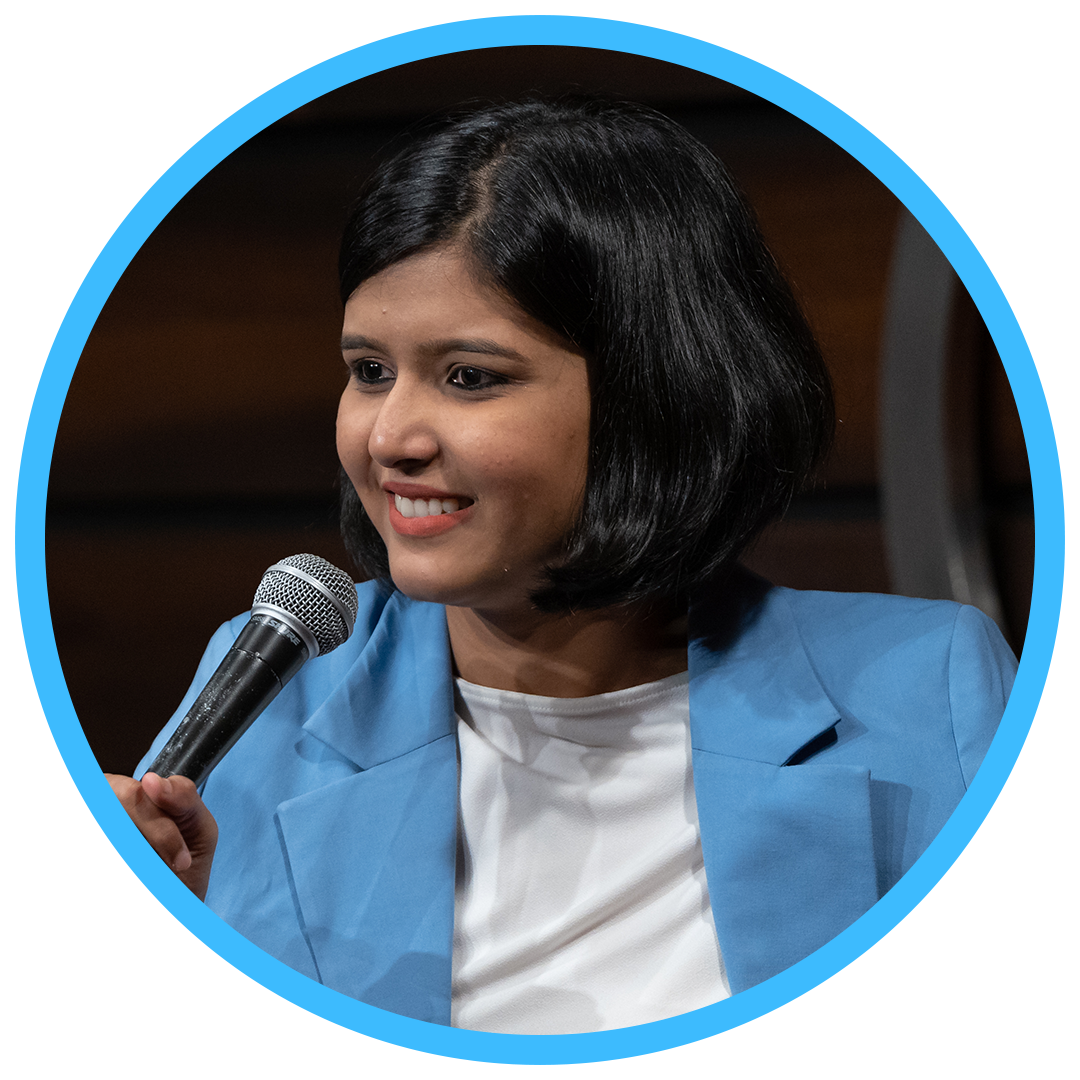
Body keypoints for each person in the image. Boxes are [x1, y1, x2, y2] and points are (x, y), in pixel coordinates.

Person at [25, 95, 1063, 1065]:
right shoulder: (275, 701)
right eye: (370, 371)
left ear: (657, 396)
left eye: (469, 377)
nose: (390, 436)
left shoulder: (931, 692)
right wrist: (122, 1005)